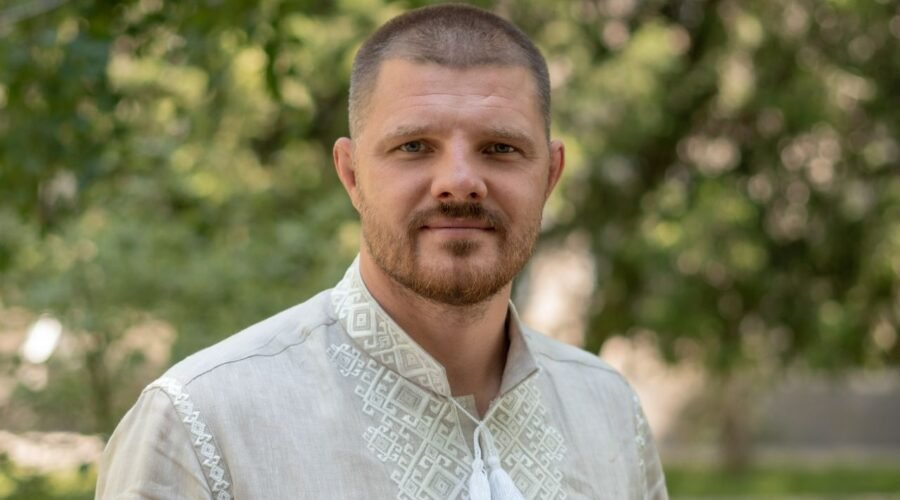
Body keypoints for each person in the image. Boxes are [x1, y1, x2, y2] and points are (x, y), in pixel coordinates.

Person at [96, 4, 667, 499]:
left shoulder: (609, 411)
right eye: (414, 146)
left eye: (500, 148)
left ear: (550, 174)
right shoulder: (201, 424)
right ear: (351, 174)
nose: (460, 182)